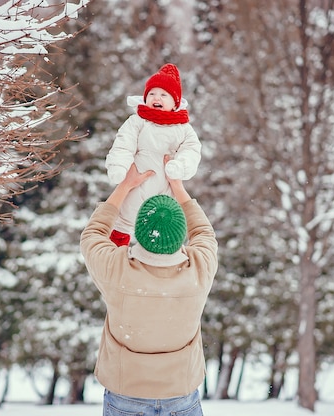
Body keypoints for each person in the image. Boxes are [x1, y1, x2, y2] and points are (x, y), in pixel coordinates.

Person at [80, 158, 218, 416]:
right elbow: (204, 233)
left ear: (139, 231)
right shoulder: (199, 269)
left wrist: (125, 186)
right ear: (181, 234)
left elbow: (92, 235)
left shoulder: (116, 269)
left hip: (126, 395)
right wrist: (178, 187)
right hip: (181, 396)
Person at [105, 63, 202, 246]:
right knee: (123, 222)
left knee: (161, 230)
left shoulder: (183, 128)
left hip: (165, 188)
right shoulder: (137, 121)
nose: (156, 97)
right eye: (152, 94)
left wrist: (179, 166)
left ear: (175, 102)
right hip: (136, 184)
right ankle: (116, 254)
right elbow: (123, 144)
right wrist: (119, 165)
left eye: (163, 95)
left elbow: (192, 151)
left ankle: (158, 263)